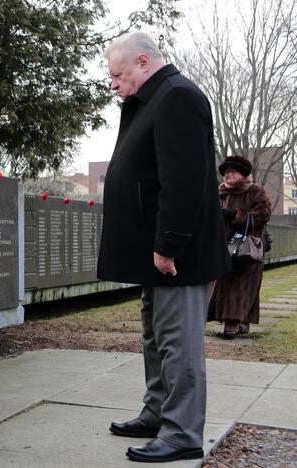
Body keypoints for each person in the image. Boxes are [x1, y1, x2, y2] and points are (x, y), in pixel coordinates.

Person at [97, 32, 231, 463]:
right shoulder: (151, 100)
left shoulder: (177, 97)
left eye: (117, 75)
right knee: (156, 335)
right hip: (155, 252)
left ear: (142, 62)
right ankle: (158, 412)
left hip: (178, 255)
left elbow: (185, 181)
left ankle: (183, 432)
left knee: (179, 343)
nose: (114, 85)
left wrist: (169, 244)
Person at [209, 156, 271, 338]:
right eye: (226, 172)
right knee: (224, 282)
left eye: (232, 172)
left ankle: (232, 323)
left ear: (243, 174)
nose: (228, 175)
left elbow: (263, 214)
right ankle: (240, 322)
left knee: (241, 284)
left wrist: (235, 215)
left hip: (246, 248)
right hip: (222, 247)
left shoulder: (255, 191)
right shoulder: (219, 192)